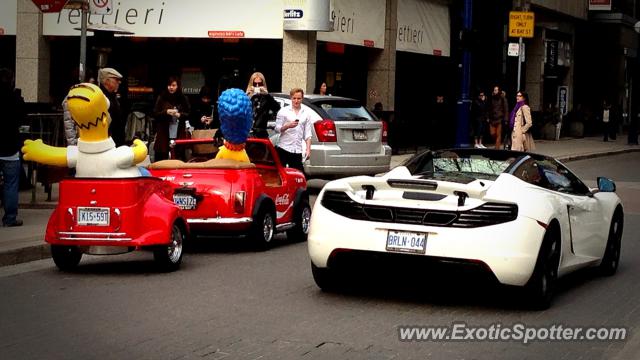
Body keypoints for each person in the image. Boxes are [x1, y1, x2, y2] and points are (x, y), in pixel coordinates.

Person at [0, 68, 25, 227]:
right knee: (11, 183)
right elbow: (22, 117)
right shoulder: (15, 98)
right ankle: (10, 218)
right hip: (9, 147)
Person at [152, 76, 190, 161]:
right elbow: (155, 114)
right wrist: (166, 112)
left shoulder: (183, 98)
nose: (171, 87)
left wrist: (180, 115)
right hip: (164, 133)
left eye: (173, 85)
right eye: (169, 85)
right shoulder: (162, 97)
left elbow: (189, 114)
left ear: (178, 86)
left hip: (178, 132)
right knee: (162, 157)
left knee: (178, 156)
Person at [274, 87, 312, 172]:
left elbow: (308, 134)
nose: (296, 101)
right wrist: (287, 126)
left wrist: (308, 149)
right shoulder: (283, 111)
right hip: (284, 147)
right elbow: (277, 129)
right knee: (281, 173)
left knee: (298, 174)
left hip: (297, 149)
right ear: (291, 98)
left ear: (302, 99)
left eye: (299, 98)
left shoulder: (306, 113)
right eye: (294, 98)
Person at [245, 72, 280, 138]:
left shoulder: (266, 98)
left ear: (263, 84)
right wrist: (246, 96)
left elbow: (277, 108)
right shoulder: (247, 97)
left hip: (261, 133)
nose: (257, 86)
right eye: (255, 84)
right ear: (251, 84)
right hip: (247, 133)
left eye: (260, 84)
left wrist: (267, 95)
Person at [98, 68, 126, 147]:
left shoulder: (113, 96)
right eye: (116, 79)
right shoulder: (100, 97)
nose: (119, 82)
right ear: (106, 81)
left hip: (115, 142)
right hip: (107, 143)